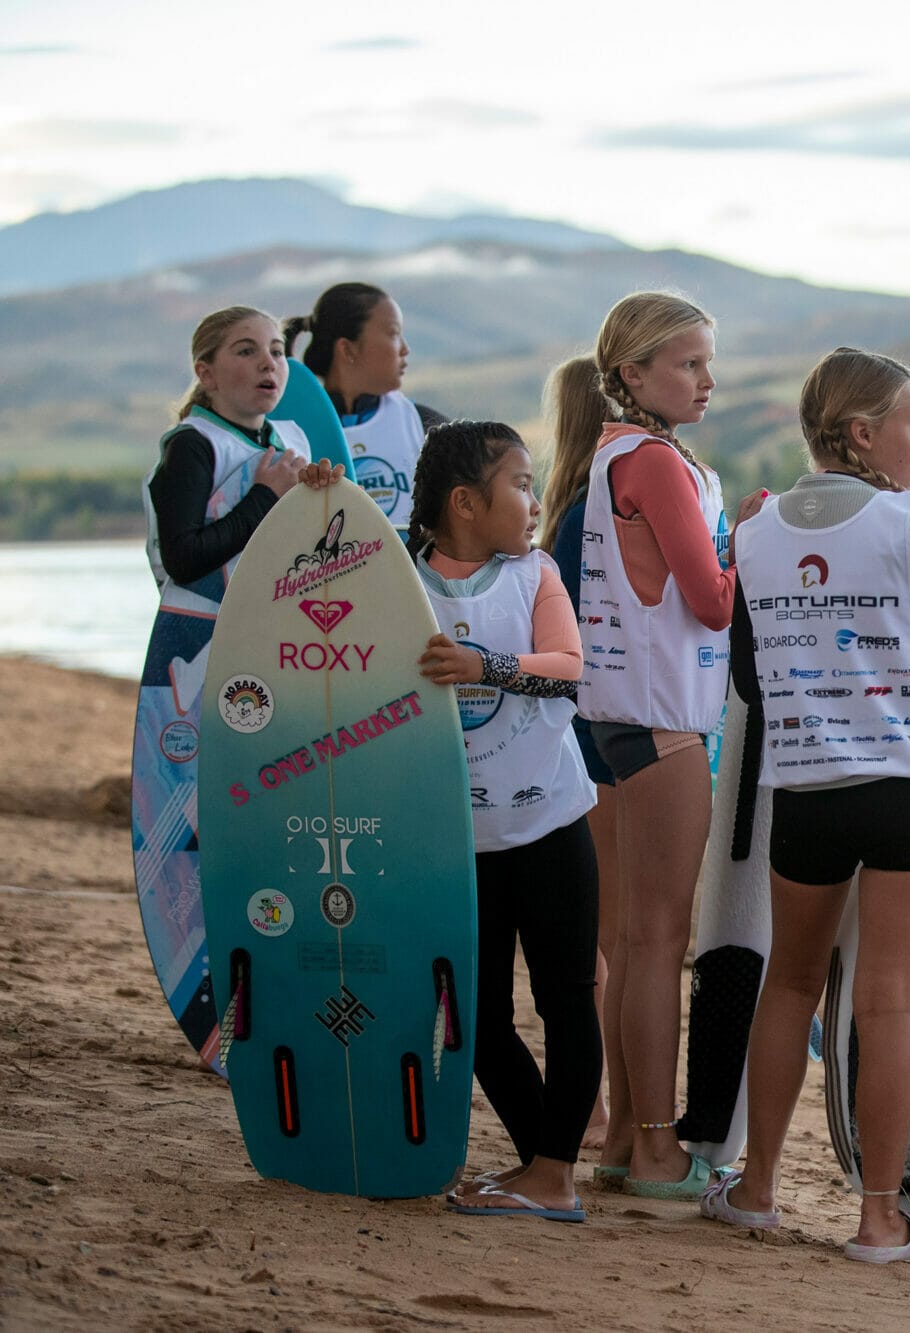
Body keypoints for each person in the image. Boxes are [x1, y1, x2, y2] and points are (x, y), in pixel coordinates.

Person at [701, 347, 910, 1263]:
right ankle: (879, 1221)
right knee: (887, 1002)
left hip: (807, 790)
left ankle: (758, 1189)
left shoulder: (760, 530)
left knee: (791, 985)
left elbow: (750, 680)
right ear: (862, 433)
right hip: (905, 791)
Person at [566, 292, 765, 1199]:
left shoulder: (606, 455)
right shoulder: (654, 461)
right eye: (689, 363)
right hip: (662, 718)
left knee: (624, 938)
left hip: (607, 717)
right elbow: (714, 600)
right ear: (632, 373)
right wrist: (752, 538)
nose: (707, 379)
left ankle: (616, 1140)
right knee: (657, 939)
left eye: (707, 361)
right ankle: (654, 1147)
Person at [407, 420, 601, 1223]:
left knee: (565, 1001)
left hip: (552, 822)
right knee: (477, 1017)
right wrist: (320, 497)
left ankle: (553, 1171)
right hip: (457, 841)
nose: (533, 498)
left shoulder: (535, 574)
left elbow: (568, 669)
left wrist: (484, 667)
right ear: (464, 502)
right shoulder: (399, 581)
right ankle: (542, 1165)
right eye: (520, 483)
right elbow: (326, 567)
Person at [135, 307, 341, 1058]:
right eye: (246, 350)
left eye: (277, 351)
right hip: (193, 663)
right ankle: (213, 1005)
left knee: (270, 825)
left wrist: (319, 501)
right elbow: (187, 557)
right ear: (205, 371)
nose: (268, 363)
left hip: (274, 653)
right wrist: (264, 497)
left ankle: (279, 991)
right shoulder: (192, 444)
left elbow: (309, 553)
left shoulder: (290, 440)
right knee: (203, 831)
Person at [537, 368, 622, 1154]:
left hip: (574, 733)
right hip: (606, 734)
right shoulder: (594, 508)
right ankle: (602, 1111)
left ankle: (597, 1107)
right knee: (607, 941)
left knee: (597, 938)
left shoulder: (558, 514)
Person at [282, 282, 447, 530]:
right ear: (348, 349)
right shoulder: (290, 435)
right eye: (393, 333)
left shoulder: (424, 426)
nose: (405, 349)